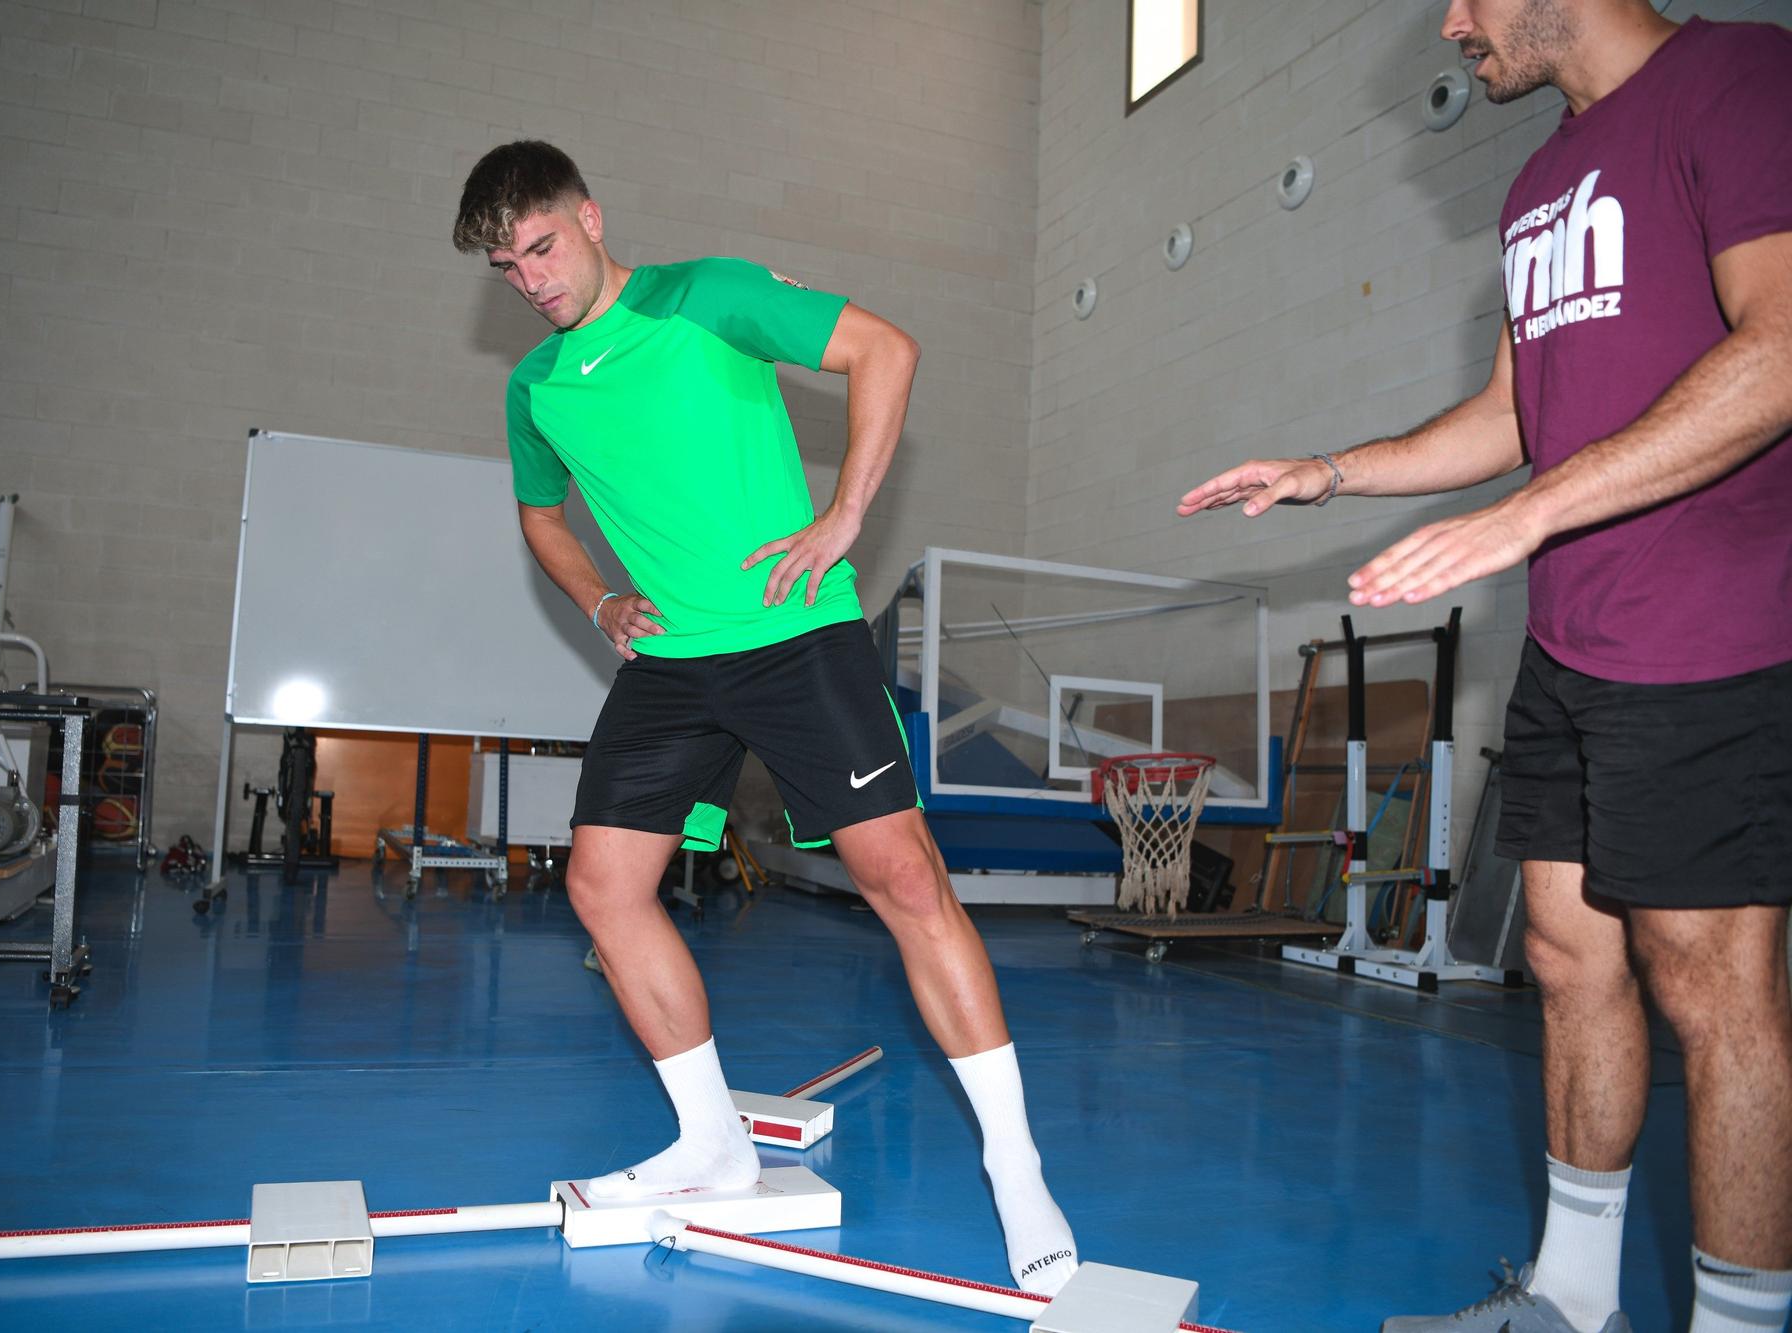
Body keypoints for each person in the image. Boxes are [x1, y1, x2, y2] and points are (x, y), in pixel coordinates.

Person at [1179, 4, 1792, 1330]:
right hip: (1573, 635)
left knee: (1713, 985)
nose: (1451, 24)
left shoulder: (1740, 77)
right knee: (1569, 963)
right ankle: (1571, 1300)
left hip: (1714, 623)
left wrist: (1529, 512)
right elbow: (1519, 410)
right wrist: (1330, 472)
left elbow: (1783, 345)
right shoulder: (1536, 180)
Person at [450, 141, 1079, 1295]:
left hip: (795, 634)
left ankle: (1015, 1162)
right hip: (670, 662)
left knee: (903, 880)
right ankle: (711, 1143)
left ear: (588, 217)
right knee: (602, 885)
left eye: (541, 246)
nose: (530, 279)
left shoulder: (705, 296)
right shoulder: (532, 386)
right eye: (506, 266)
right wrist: (597, 598)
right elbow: (539, 515)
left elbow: (885, 348)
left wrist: (844, 515)